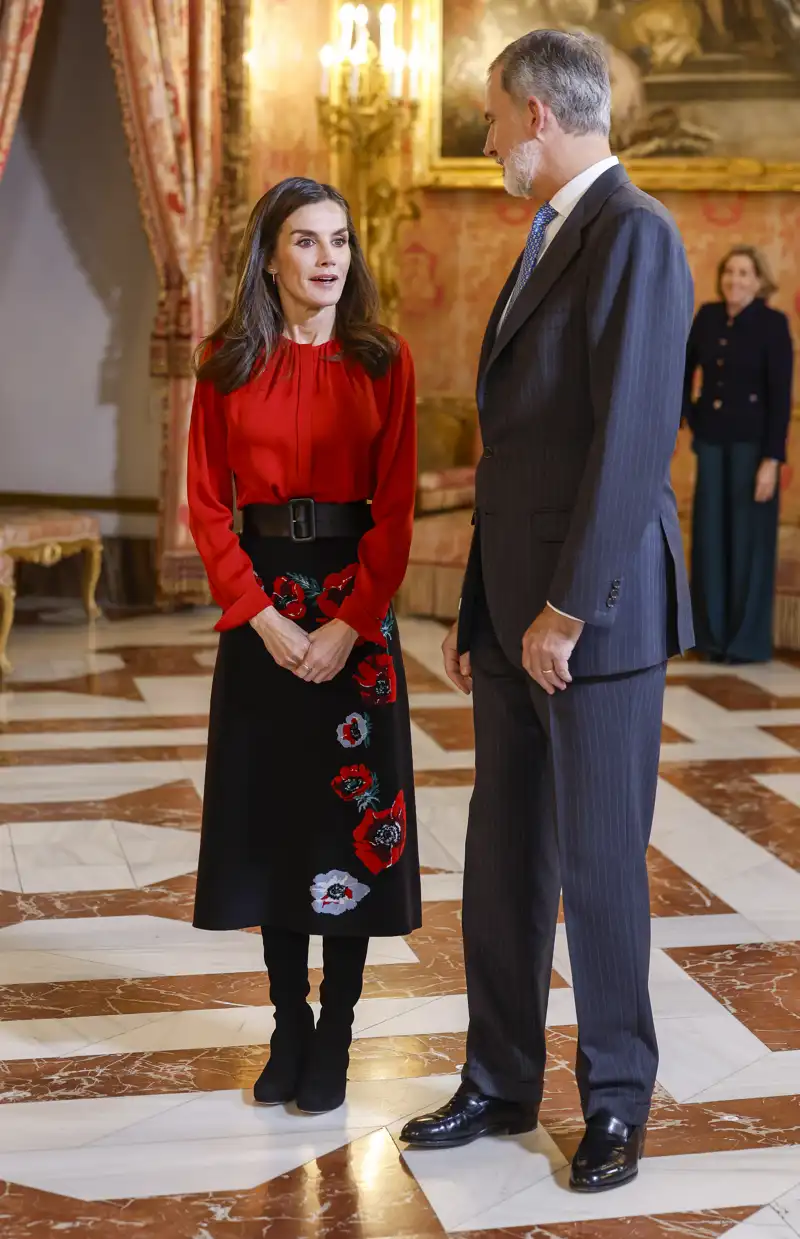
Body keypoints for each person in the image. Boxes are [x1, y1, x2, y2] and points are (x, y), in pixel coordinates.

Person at [400, 30, 694, 1193]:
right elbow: (516, 456)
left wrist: (566, 610)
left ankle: (615, 1103)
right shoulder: (544, 238)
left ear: (534, 113)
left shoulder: (635, 233)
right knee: (503, 858)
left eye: (487, 116)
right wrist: (484, 615)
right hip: (517, 617)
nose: (483, 137)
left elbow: (628, 443)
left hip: (591, 622)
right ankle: (497, 1078)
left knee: (599, 868)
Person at [187, 177, 420, 1116]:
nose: (328, 257)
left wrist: (350, 621)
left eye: (340, 239)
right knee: (278, 824)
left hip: (353, 614)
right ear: (271, 258)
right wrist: (262, 613)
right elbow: (206, 504)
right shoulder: (225, 361)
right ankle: (288, 1022)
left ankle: (339, 1033)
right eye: (306, 241)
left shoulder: (384, 360)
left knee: (345, 834)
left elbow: (398, 508)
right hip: (263, 617)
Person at [684, 246, 794, 663]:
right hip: (711, 442)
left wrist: (772, 460)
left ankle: (745, 643)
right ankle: (709, 639)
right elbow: (684, 368)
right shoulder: (708, 317)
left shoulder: (772, 324)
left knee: (749, 544)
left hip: (754, 449)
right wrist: (690, 417)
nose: (735, 280)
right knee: (710, 540)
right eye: (729, 272)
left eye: (744, 273)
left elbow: (780, 399)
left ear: (760, 280)